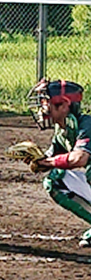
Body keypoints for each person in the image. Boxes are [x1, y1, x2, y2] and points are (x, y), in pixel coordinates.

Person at [27, 79, 91, 248]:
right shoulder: (63, 129)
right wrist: (35, 160)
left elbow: (79, 159)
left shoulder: (87, 124)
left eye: (46, 102)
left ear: (64, 105)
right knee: (55, 180)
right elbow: (51, 158)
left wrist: (47, 162)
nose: (42, 107)